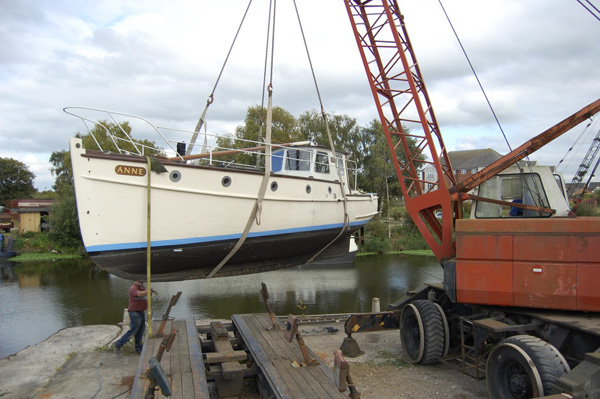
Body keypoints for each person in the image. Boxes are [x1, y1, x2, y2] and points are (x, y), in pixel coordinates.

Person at [113, 280, 148, 354]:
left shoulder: (142, 288)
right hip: (135, 313)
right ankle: (118, 344)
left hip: (141, 312)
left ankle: (138, 349)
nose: (141, 282)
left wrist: (148, 292)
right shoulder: (133, 288)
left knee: (140, 331)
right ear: (136, 281)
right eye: (139, 281)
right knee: (133, 331)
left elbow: (144, 295)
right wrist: (148, 291)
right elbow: (138, 294)